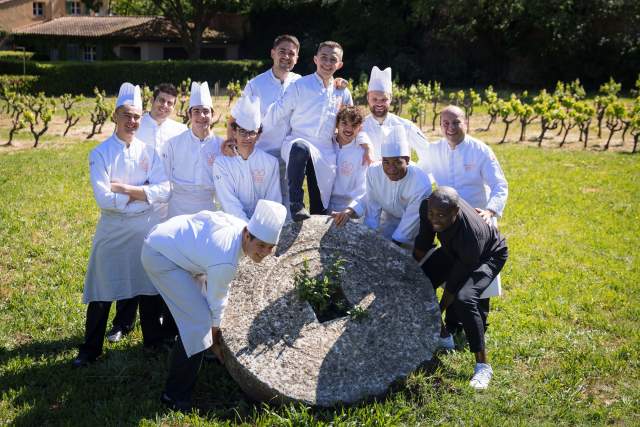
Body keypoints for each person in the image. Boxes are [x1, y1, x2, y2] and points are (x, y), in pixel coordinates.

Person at [141, 199, 287, 411]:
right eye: (261, 245)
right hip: (161, 256)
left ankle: (190, 349)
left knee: (195, 315)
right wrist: (214, 340)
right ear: (247, 234)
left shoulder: (239, 228)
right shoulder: (225, 259)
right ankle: (173, 396)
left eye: (270, 247)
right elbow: (216, 302)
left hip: (172, 244)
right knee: (199, 323)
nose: (264, 252)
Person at [72, 83, 170, 368]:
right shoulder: (99, 153)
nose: (132, 122)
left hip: (145, 231)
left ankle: (152, 340)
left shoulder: (149, 152)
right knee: (102, 289)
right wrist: (144, 194)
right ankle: (90, 349)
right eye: (127, 115)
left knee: (148, 288)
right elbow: (104, 199)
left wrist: (126, 190)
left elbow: (164, 190)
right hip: (112, 231)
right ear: (115, 116)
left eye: (137, 116)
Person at [106, 82, 186, 344]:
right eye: (161, 100)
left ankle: (159, 317)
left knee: (161, 262)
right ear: (152, 101)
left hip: (168, 206)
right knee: (131, 262)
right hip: (136, 205)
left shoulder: (179, 130)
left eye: (170, 103)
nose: (164, 106)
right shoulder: (137, 125)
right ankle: (123, 321)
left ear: (175, 107)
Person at [413, 186, 508, 390]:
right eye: (432, 213)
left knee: (465, 299)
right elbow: (424, 240)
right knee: (418, 282)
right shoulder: (427, 208)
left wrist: (438, 309)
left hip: (488, 255)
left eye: (441, 215)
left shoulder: (470, 236)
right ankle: (444, 336)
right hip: (452, 249)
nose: (435, 219)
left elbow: (455, 283)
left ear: (455, 212)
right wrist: (410, 270)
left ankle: (483, 366)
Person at [262, 40, 356, 221]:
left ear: (340, 64)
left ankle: (317, 217)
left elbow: (351, 120)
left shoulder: (342, 92)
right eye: (324, 58)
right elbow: (278, 111)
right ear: (315, 59)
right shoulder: (300, 86)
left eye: (333, 59)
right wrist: (257, 130)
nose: (327, 63)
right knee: (302, 149)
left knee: (320, 201)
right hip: (298, 141)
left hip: (325, 149)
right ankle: (296, 204)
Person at [421, 105, 508, 299]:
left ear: (466, 123)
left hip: (478, 222)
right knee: (452, 270)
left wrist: (491, 211)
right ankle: (450, 316)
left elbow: (499, 185)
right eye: (445, 123)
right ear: (440, 126)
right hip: (448, 223)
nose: (450, 127)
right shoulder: (433, 149)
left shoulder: (480, 150)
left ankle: (477, 318)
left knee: (477, 280)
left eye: (456, 122)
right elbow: (420, 176)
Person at [333, 126, 430, 247]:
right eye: (386, 162)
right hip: (388, 221)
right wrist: (369, 233)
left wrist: (393, 246)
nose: (391, 169)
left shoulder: (420, 182)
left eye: (397, 162)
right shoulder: (374, 171)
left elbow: (412, 218)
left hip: (414, 228)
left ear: (407, 160)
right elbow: (371, 202)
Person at [214, 95, 282, 222]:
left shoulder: (270, 163)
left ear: (258, 135)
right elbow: (229, 203)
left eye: (252, 133)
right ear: (234, 132)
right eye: (242, 132)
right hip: (230, 224)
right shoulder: (221, 163)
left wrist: (257, 228)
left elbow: (273, 201)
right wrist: (246, 227)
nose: (247, 137)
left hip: (260, 228)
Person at [163, 81, 223, 217]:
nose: (201, 116)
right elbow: (163, 180)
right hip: (178, 210)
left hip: (209, 210)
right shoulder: (173, 144)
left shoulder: (221, 146)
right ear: (189, 115)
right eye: (196, 111)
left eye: (206, 111)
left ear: (212, 115)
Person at [362, 66, 429, 163]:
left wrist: (414, 172)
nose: (379, 103)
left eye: (384, 99)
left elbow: (426, 150)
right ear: (368, 97)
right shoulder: (360, 127)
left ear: (391, 98)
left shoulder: (406, 125)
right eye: (374, 99)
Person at [328, 106, 369, 215]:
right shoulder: (326, 144)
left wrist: (349, 211)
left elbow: (363, 189)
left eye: (354, 125)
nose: (349, 129)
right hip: (323, 205)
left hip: (349, 210)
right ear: (337, 124)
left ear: (360, 128)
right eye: (344, 123)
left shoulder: (361, 153)